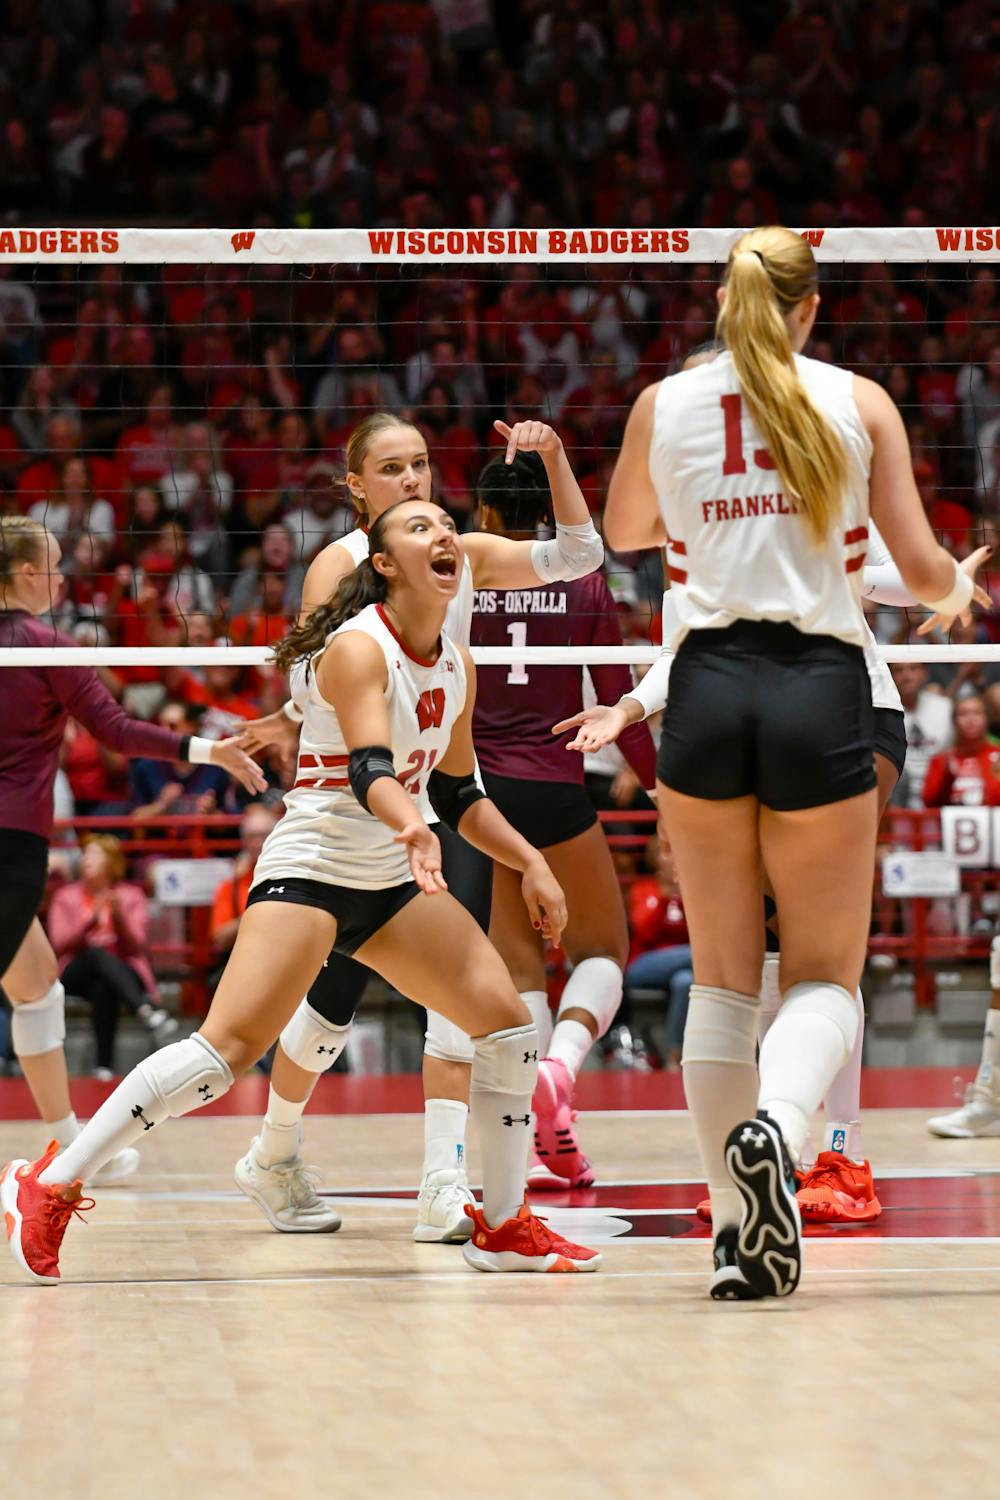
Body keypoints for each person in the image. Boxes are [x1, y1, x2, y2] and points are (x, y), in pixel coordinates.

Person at [1, 498, 601, 1283]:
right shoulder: (358, 649)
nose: (444, 532)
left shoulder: (459, 664)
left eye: (445, 523)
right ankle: (49, 1184)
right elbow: (368, 770)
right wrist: (411, 826)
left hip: (389, 878)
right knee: (223, 1057)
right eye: (418, 526)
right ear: (383, 564)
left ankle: (504, 1221)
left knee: (507, 1027)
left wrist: (532, 861)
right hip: (313, 867)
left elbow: (456, 794)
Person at [598, 225, 988, 1300]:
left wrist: (710, 509)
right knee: (822, 975)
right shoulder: (856, 402)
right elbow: (918, 571)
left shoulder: (665, 403)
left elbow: (625, 527)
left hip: (705, 686)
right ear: (810, 307)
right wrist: (959, 585)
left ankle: (736, 1230)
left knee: (722, 981)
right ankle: (778, 1128)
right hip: (820, 682)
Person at [236, 411, 604, 1243]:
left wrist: (552, 461)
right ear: (356, 487)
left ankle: (443, 1181)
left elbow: (580, 557)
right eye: (393, 469)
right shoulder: (341, 566)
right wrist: (292, 715)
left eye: (422, 466)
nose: (413, 480)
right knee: (326, 1010)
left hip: (437, 790)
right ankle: (273, 1147)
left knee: (462, 1000)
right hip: (354, 807)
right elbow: (310, 680)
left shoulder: (455, 552)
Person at [0, 516, 264, 1185]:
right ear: (27, 573)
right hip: (11, 843)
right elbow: (117, 730)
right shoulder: (45, 647)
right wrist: (210, 751)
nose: (62, 578)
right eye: (54, 565)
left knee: (36, 992)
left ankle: (75, 1146)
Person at [469, 449, 656, 1188]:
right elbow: (617, 698)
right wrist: (660, 791)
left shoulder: (459, 574)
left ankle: (529, 1152)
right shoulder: (581, 579)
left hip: (480, 797)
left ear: (485, 517)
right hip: (555, 785)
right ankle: (563, 1071)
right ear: (545, 518)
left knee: (520, 974)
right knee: (603, 950)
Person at [47, 835, 177, 1079]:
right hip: (75, 970)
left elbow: (138, 944)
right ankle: (145, 1010)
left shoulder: (130, 895)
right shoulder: (66, 895)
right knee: (96, 956)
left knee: (103, 986)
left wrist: (118, 918)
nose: (86, 860)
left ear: (112, 861)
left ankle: (103, 1067)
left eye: (94, 854)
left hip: (121, 970)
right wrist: (89, 923)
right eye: (85, 854)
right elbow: (58, 943)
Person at [921, 694, 1000, 806]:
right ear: (954, 721)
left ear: (987, 719)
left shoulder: (998, 757)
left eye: (977, 713)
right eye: (963, 714)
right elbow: (929, 802)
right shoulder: (941, 761)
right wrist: (947, 777)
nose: (970, 719)